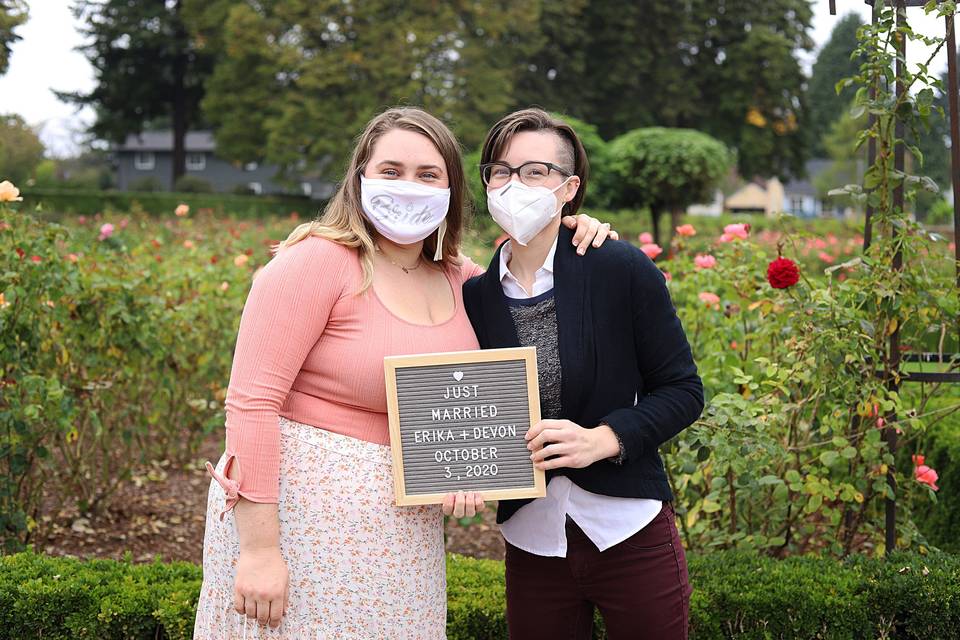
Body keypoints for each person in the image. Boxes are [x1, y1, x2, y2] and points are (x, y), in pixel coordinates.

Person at [191, 106, 615, 639]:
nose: (408, 186)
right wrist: (258, 551)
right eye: (391, 171)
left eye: (428, 174)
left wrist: (576, 227)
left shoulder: (462, 278)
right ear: (360, 178)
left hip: (402, 533)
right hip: (299, 525)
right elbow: (251, 403)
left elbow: (494, 369)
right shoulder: (315, 262)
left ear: (452, 190)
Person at [462, 108, 704, 639]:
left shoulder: (618, 268)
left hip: (628, 528)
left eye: (534, 171)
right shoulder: (474, 296)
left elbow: (684, 390)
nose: (513, 184)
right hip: (532, 537)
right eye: (499, 171)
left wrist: (605, 439)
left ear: (568, 187)